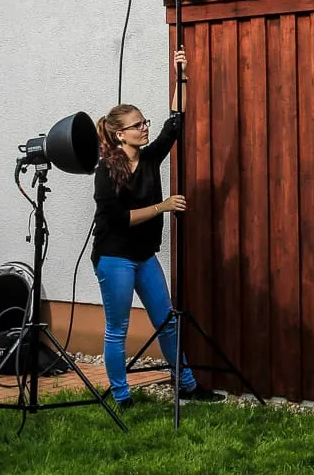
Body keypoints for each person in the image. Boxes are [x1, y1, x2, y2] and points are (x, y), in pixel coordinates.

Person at [91, 49, 219, 410]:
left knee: (167, 321)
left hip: (144, 256)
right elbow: (119, 219)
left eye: (144, 121)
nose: (145, 127)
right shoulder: (106, 171)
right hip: (114, 257)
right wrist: (163, 206)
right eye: (137, 125)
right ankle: (121, 396)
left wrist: (182, 74)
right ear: (120, 134)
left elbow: (175, 123)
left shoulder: (149, 158)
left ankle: (187, 385)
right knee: (117, 328)